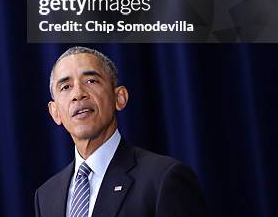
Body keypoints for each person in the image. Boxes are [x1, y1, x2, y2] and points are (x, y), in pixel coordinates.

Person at [34, 46, 208, 217]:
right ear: (55, 112)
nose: (78, 94)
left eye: (91, 81)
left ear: (119, 98)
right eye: (65, 87)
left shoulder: (163, 178)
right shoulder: (46, 196)